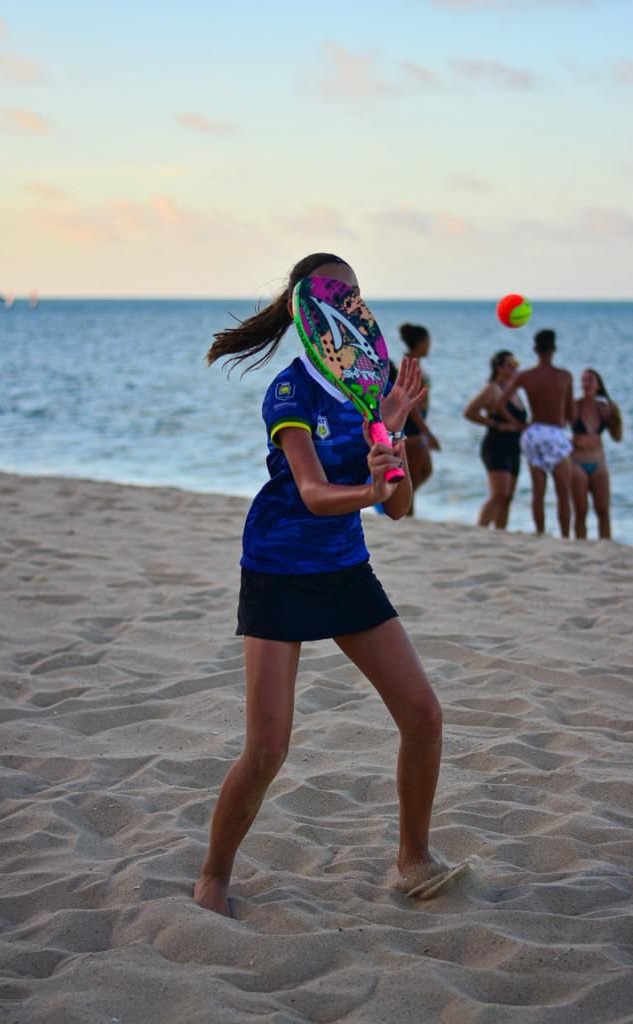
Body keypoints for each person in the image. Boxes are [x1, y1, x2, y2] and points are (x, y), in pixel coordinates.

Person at [194, 253, 445, 917]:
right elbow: (309, 493)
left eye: (358, 294)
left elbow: (397, 508)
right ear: (310, 310)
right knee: (268, 747)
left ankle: (412, 858)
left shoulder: (374, 386)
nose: (352, 307)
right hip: (277, 567)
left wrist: (390, 432)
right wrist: (369, 482)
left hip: (342, 567)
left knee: (422, 715)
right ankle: (213, 876)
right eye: (339, 294)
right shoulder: (289, 391)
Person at [497, 329, 574, 537]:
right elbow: (571, 414)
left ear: (535, 349)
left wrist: (519, 425)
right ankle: (565, 537)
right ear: (554, 349)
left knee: (538, 491)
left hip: (533, 432)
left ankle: (540, 534)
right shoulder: (564, 376)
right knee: (562, 492)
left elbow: (500, 404)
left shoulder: (525, 376)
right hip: (555, 432)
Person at [463, 350, 527, 529]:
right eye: (509, 364)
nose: (514, 367)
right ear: (499, 367)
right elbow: (469, 412)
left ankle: (500, 534)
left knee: (507, 497)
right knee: (499, 494)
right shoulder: (492, 389)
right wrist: (495, 424)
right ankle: (480, 530)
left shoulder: (513, 391)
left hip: (514, 448)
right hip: (496, 446)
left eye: (516, 364)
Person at [394, 323, 441, 516]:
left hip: (417, 424)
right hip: (411, 427)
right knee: (412, 476)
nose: (429, 345)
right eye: (427, 341)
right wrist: (426, 432)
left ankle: (402, 503)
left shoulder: (414, 363)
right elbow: (409, 403)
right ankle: (406, 513)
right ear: (420, 343)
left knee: (425, 471)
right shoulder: (410, 364)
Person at [571, 368, 622, 540]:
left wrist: (616, 415)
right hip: (577, 462)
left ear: (598, 384)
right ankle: (580, 546)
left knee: (603, 510)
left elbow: (617, 437)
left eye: (590, 380)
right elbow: (558, 429)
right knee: (580, 511)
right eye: (583, 380)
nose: (586, 384)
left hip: (599, 462)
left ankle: (606, 546)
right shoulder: (574, 406)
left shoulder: (605, 408)